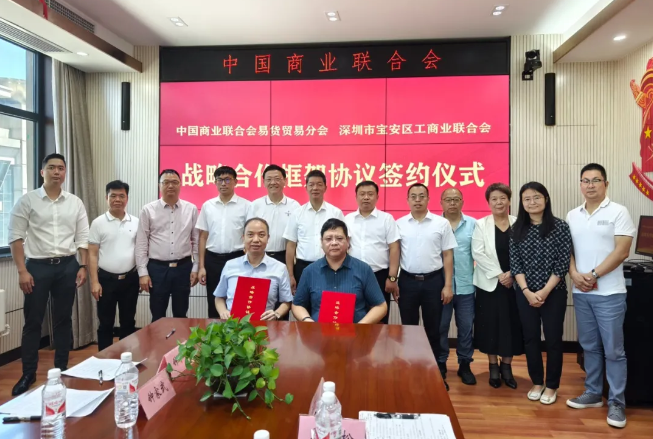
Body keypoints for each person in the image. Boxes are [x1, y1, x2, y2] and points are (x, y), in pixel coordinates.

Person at [8, 153, 89, 396]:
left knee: (64, 320)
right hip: (37, 267)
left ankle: (62, 369)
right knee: (33, 321)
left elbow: (82, 237)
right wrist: (22, 271)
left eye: (61, 168)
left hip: (67, 266)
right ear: (42, 172)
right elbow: (15, 237)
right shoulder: (27, 201)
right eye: (52, 168)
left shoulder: (75, 202)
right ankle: (28, 373)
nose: (56, 172)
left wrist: (83, 266)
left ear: (65, 173)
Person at [566, 163, 635, 429]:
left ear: (606, 184)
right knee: (589, 346)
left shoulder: (618, 211)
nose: (590, 185)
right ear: (580, 185)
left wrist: (593, 275)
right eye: (585, 180)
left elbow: (622, 251)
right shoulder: (573, 215)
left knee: (614, 350)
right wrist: (574, 274)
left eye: (596, 180)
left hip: (610, 293)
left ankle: (617, 402)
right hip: (581, 292)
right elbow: (568, 251)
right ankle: (593, 393)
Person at [510, 182, 571, 405]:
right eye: (527, 199)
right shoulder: (517, 228)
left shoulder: (560, 227)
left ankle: (552, 385)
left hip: (554, 292)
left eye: (536, 197)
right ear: (521, 203)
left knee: (553, 339)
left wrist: (544, 291)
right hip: (525, 293)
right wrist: (526, 291)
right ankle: (537, 381)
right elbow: (515, 264)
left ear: (546, 199)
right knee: (531, 338)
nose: (532, 202)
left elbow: (562, 263)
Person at [396, 183, 457, 391]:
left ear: (428, 199)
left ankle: (435, 370)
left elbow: (448, 255)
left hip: (434, 281)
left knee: (434, 328)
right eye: (413, 196)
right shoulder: (399, 224)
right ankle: (411, 368)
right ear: (407, 200)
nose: (417, 200)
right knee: (409, 328)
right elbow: (395, 253)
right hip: (407, 281)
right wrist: (394, 280)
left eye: (422, 196)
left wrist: (448, 285)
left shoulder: (441, 223)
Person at [472, 183, 522, 390]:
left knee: (512, 325)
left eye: (502, 198)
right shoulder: (481, 224)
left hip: (516, 283)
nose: (499, 202)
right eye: (494, 199)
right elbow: (478, 252)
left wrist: (512, 274)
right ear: (488, 202)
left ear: (509, 200)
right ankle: (493, 366)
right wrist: (500, 274)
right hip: (489, 284)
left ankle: (507, 367)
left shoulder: (519, 223)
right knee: (489, 325)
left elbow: (525, 252)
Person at [291, 218, 387, 324]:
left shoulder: (363, 269)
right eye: (328, 239)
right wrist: (307, 320)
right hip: (319, 332)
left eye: (339, 238)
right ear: (321, 242)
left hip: (356, 332)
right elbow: (297, 305)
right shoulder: (309, 271)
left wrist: (360, 326)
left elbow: (380, 306)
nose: (334, 243)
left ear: (348, 241)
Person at [136, 169, 199, 322]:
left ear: (180, 185)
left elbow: (196, 240)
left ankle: (181, 339)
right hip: (157, 269)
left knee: (181, 314)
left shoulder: (191, 209)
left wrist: (196, 267)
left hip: (183, 267)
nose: (170, 186)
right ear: (160, 185)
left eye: (174, 182)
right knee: (158, 315)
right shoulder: (148, 210)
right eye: (166, 182)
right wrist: (142, 272)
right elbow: (142, 243)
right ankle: (158, 340)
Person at [88, 180, 140, 351]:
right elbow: (92, 254)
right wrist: (94, 282)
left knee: (128, 322)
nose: (117, 199)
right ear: (106, 198)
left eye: (121, 196)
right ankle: (104, 359)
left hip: (130, 279)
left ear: (127, 198)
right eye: (113, 196)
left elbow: (141, 251)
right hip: (105, 280)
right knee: (105, 323)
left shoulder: (136, 222)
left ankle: (127, 358)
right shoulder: (98, 223)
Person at [247, 165, 300, 321]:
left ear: (285, 181)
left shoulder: (294, 206)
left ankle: (280, 334)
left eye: (277, 179)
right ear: (263, 182)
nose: (273, 182)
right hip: (259, 258)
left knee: (283, 301)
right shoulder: (255, 205)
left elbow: (293, 240)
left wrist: (291, 273)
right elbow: (248, 233)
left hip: (284, 257)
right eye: (269, 179)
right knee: (259, 302)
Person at [197, 166, 250, 319]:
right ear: (215, 182)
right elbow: (203, 237)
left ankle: (238, 332)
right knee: (214, 299)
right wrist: (201, 266)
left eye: (227, 180)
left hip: (237, 258)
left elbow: (249, 236)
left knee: (238, 300)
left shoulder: (246, 206)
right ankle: (215, 332)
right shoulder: (208, 206)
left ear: (236, 182)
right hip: (212, 260)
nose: (223, 183)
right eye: (219, 180)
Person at [214, 218, 293, 321]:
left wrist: (276, 314)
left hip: (264, 326)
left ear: (268, 238)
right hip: (233, 325)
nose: (256, 240)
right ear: (243, 238)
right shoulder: (230, 265)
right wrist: (223, 311)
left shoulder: (280, 268)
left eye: (261, 235)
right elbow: (219, 297)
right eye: (250, 235)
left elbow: (287, 301)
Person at [345, 181, 400, 324]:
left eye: (370, 194)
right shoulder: (348, 219)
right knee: (353, 316)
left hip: (379, 276)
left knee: (380, 319)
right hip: (352, 275)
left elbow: (394, 248)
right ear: (356, 197)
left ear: (377, 197)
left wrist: (392, 277)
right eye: (362, 194)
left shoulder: (386, 219)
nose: (366, 197)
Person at [438, 188, 477, 385]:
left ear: (462, 201)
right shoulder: (435, 224)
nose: (452, 203)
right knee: (441, 327)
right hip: (441, 287)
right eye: (448, 199)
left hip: (466, 286)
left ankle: (465, 364)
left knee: (466, 327)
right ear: (441, 202)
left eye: (456, 199)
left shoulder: (474, 224)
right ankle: (440, 363)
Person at [283, 170, 344, 293]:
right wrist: (290, 275)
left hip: (330, 265)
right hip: (302, 267)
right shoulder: (297, 213)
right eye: (311, 184)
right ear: (306, 188)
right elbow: (291, 245)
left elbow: (343, 243)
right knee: (303, 301)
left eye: (319, 184)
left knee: (328, 300)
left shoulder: (335, 212)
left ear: (325, 188)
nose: (315, 188)